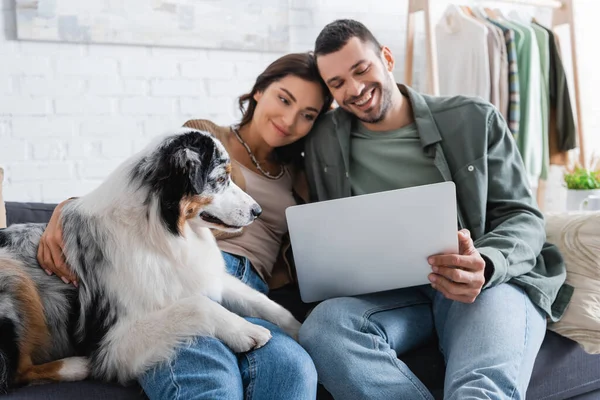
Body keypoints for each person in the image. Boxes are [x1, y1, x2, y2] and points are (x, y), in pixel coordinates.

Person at [298, 19, 573, 400]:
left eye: (361, 70)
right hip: (390, 297)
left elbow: (523, 217)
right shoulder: (321, 140)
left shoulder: (474, 118)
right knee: (322, 330)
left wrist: (487, 263)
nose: (355, 90)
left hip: (479, 284)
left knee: (480, 389)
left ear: (387, 58)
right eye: (337, 83)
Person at [36, 52, 333, 400]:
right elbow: (141, 192)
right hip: (176, 273)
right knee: (209, 380)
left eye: (307, 115)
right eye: (284, 99)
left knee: (293, 369)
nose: (289, 118)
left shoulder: (302, 176)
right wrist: (68, 208)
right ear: (260, 90)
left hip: (250, 288)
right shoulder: (203, 137)